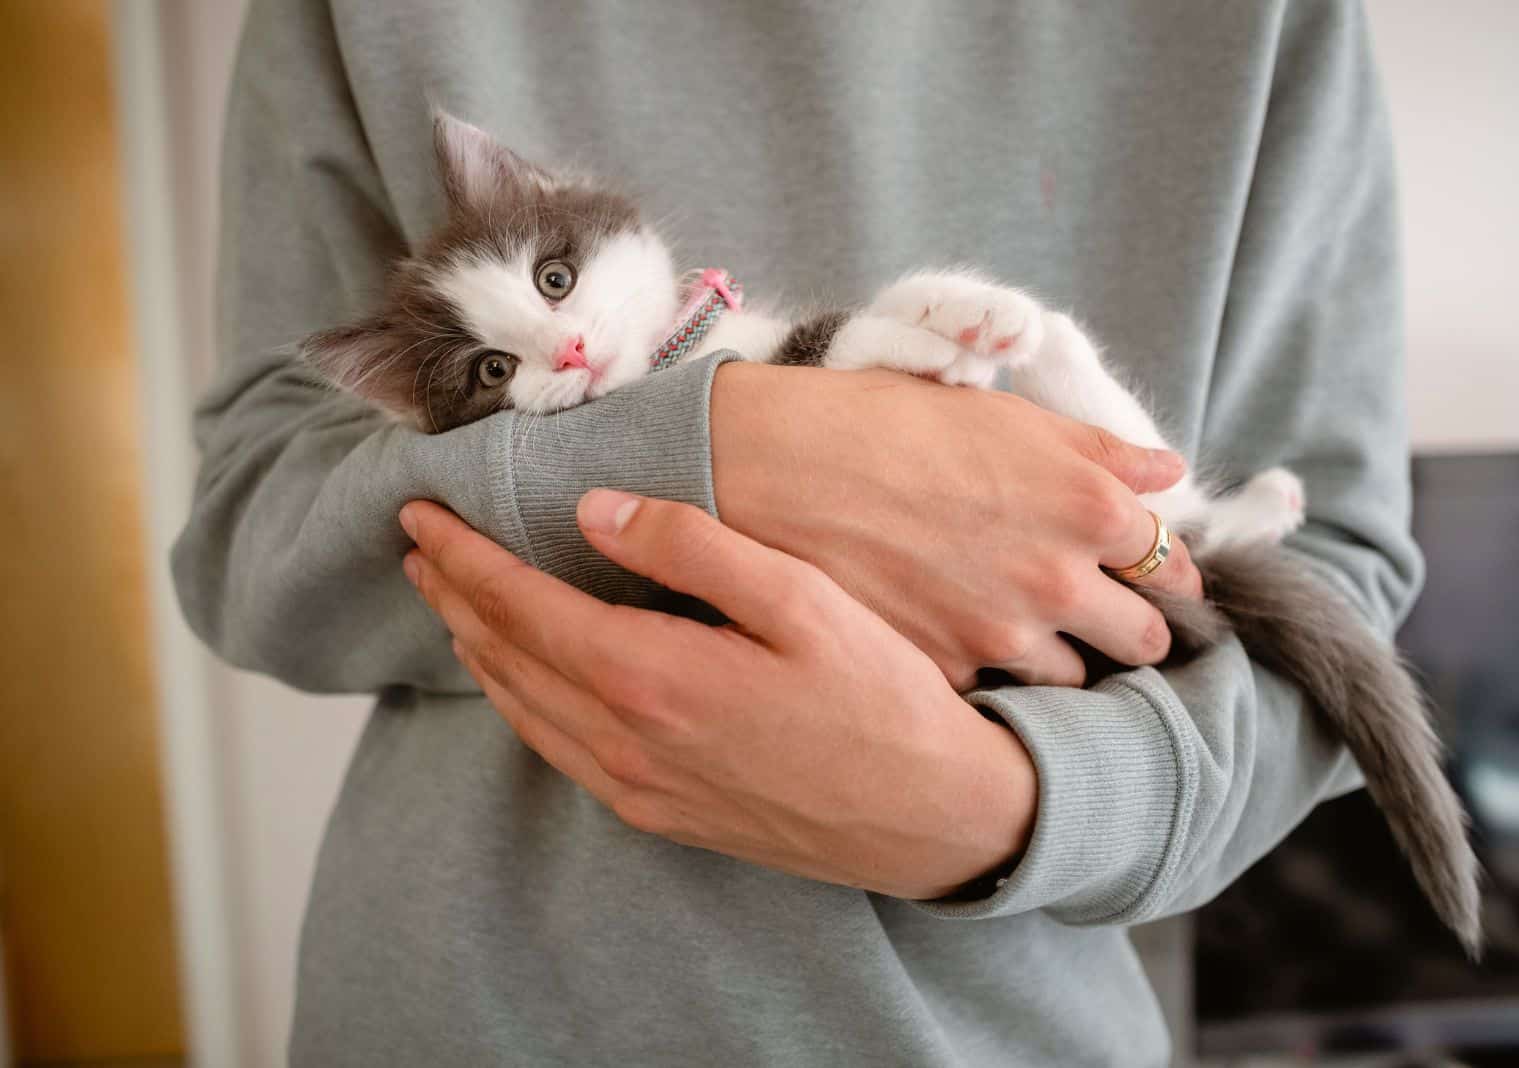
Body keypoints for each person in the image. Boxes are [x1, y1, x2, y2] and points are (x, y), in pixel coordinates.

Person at [173, 1, 1421, 1064]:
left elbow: (1337, 566)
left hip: (985, 1027)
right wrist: (700, 459)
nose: (562, 341)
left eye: (554, 290)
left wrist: (1014, 806)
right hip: (467, 1013)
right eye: (515, 349)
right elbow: (250, 519)